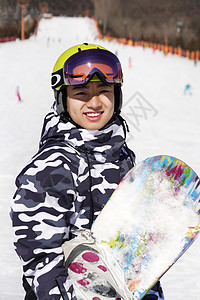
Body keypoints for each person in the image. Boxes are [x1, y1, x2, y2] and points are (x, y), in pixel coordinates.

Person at [11, 43, 164, 300]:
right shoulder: (51, 166)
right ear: (63, 100)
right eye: (81, 92)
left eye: (104, 90)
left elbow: (134, 250)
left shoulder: (122, 157)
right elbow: (41, 258)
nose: (95, 102)